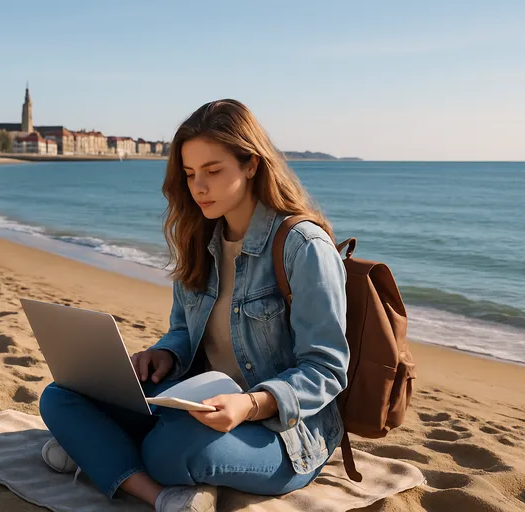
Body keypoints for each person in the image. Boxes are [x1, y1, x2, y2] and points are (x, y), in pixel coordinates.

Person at [38, 99, 350, 512]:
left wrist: (251, 403)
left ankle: (99, 454)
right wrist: (166, 353)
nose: (198, 187)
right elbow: (184, 331)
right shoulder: (200, 239)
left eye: (213, 171)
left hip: (286, 431)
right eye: (189, 175)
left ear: (251, 164)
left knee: (168, 450)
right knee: (61, 396)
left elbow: (327, 369)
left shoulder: (304, 247)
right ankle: (161, 495)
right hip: (200, 404)